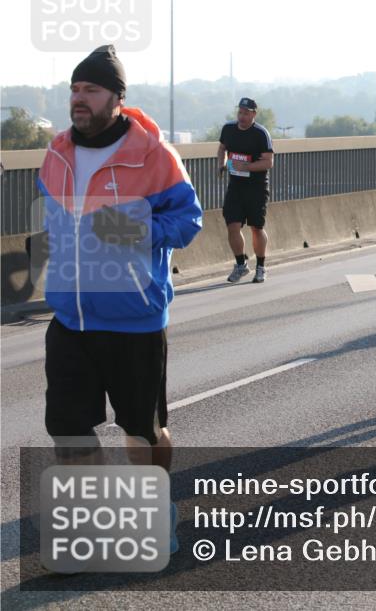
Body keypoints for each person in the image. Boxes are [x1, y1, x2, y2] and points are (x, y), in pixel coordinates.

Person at [37, 45, 203, 554]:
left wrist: (134, 227)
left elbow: (188, 221)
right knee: (68, 428)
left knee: (143, 431)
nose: (78, 99)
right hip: (70, 316)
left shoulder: (154, 155)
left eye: (90, 90)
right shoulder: (57, 152)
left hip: (134, 318)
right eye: (74, 90)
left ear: (116, 96)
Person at [218, 97, 274, 283]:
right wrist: (222, 164)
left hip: (256, 188)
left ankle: (261, 266)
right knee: (232, 225)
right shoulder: (228, 129)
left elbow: (268, 162)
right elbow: (222, 149)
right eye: (240, 112)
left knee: (256, 228)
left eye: (246, 113)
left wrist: (246, 167)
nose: (241, 116)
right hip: (236, 186)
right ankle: (241, 264)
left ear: (253, 114)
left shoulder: (260, 133)